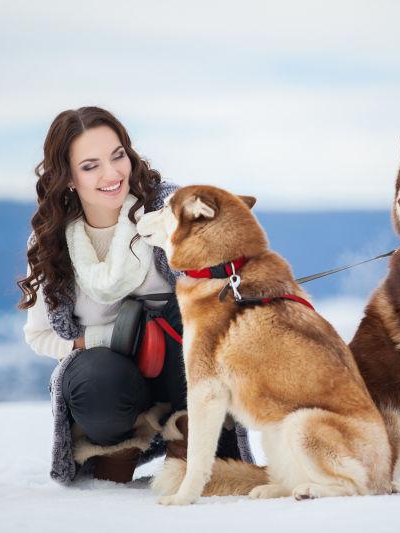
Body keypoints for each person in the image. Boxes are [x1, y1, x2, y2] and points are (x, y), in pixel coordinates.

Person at [17, 106, 252, 484]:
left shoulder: (168, 212)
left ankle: (192, 437)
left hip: (184, 372)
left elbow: (224, 291)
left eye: (117, 156)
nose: (112, 174)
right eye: (91, 166)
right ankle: (116, 451)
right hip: (115, 386)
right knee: (94, 375)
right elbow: (40, 335)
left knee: (191, 309)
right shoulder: (50, 243)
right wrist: (107, 339)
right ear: (69, 178)